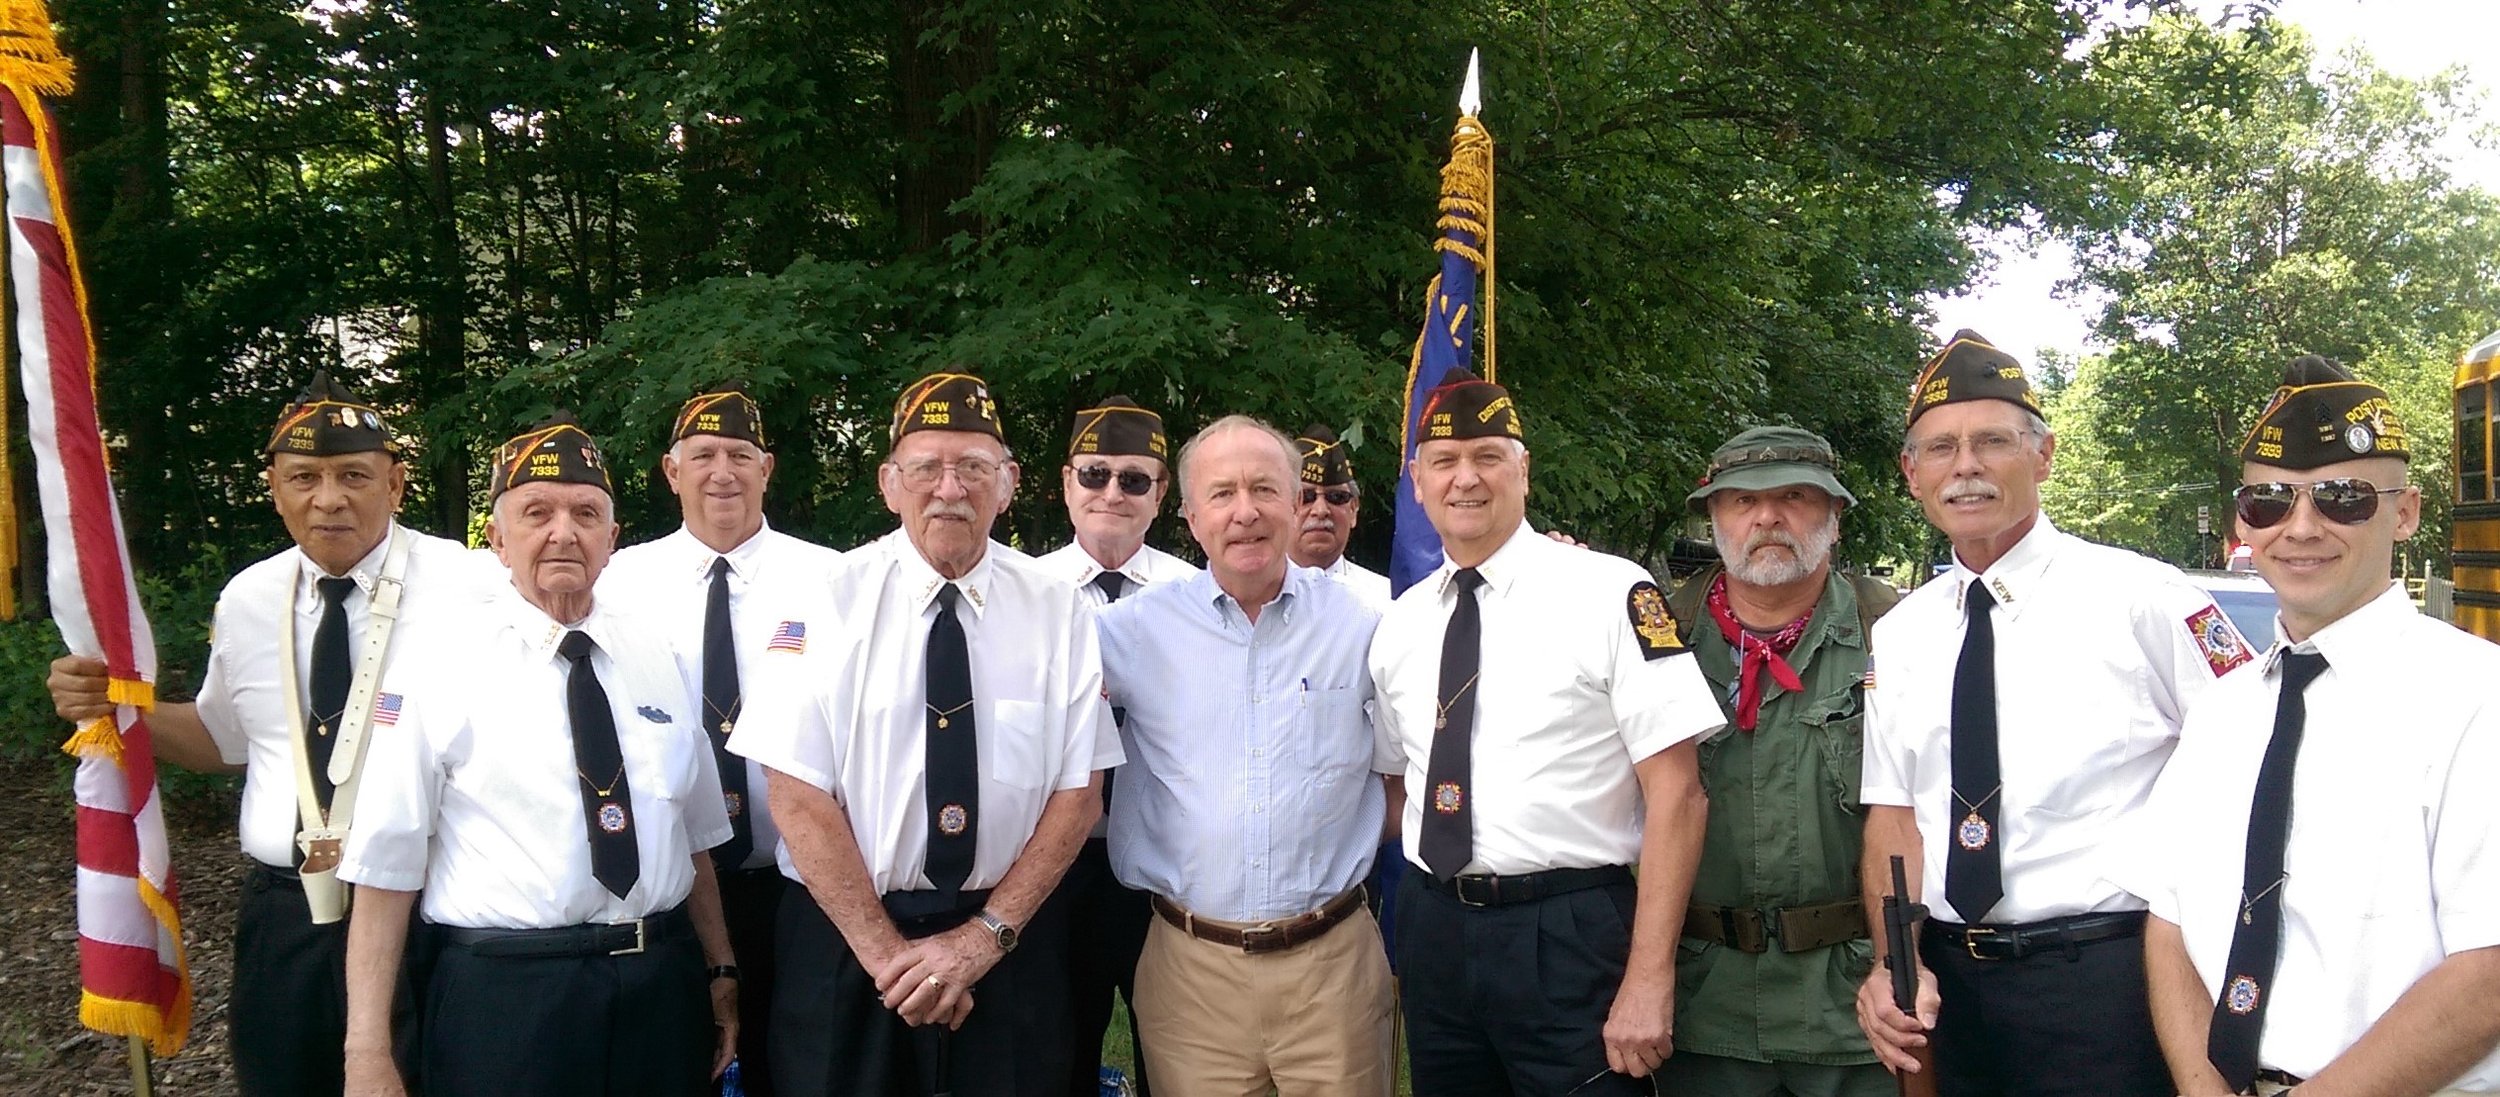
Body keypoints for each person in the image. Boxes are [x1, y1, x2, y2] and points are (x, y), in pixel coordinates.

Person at [44, 374, 471, 1096]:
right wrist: (118, 707)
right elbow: (222, 741)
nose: (327, 498)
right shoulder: (248, 598)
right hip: (286, 917)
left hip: (426, 911)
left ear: (396, 485)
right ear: (273, 487)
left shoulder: (471, 586)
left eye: (354, 476)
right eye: (304, 476)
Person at [1853, 331, 2246, 1097]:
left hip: (2108, 983)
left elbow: (2251, 770)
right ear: (1912, 473)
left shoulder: (2146, 602)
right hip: (1950, 990)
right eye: (1940, 448)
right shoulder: (1902, 632)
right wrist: (1890, 962)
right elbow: (1895, 815)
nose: (1964, 466)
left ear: (2044, 455)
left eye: (1992, 441)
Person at [2113, 356, 2500, 1096]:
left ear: (2408, 510)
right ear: (2240, 520)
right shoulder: (2222, 712)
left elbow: (2488, 970)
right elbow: (2170, 924)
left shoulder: (2478, 699)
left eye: (2342, 498)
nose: (2300, 527)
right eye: (2269, 500)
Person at [732, 371, 1120, 1096]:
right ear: (888, 483)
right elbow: (795, 796)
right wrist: (891, 959)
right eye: (926, 467)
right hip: (850, 947)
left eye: (974, 466)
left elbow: (1079, 795)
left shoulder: (1056, 609)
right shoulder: (820, 601)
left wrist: (980, 941)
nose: (951, 487)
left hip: (1007, 945)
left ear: (1006, 484)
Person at [338, 415, 740, 1096]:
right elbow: (384, 871)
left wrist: (721, 968)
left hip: (659, 990)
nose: (564, 531)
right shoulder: (438, 665)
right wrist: (367, 1048)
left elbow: (692, 837)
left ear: (612, 540)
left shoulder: (657, 655)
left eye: (586, 513)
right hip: (509, 998)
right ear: (496, 539)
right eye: (537, 512)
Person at [1367, 368, 1722, 1096]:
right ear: (1417, 480)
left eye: (1488, 456)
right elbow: (1401, 785)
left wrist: (1649, 978)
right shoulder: (1399, 624)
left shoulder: (1607, 592)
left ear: (1523, 469)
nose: (1466, 477)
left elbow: (1679, 795)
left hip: (1566, 933)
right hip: (1434, 924)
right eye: (1444, 461)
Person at [1098, 415, 1397, 1097]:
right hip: (1191, 973)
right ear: (1191, 515)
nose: (1245, 511)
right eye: (1223, 492)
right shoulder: (1128, 631)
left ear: (1295, 504)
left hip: (1332, 970)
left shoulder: (1365, 624)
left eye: (1265, 488)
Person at [599, 382, 843, 1096]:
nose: (722, 471)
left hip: (803, 883)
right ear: (671, 472)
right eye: (702, 454)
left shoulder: (832, 578)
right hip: (673, 886)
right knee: (682, 1068)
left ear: (768, 468)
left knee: (804, 1070)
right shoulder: (618, 582)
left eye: (740, 453)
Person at [1660, 425, 1896, 1097]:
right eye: (1742, 500)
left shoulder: (1895, 633)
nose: (1768, 516)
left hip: (1853, 1008)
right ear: (1714, 515)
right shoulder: (1656, 636)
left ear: (1835, 515)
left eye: (1795, 495)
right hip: (1706, 1004)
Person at [1033, 394, 1195, 1096]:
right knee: (1053, 1051)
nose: (1111, 493)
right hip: (1050, 866)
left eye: (1135, 479)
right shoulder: (1020, 591)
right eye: (1095, 474)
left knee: (1180, 1055)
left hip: (1165, 866)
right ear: (1066, 481)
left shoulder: (1198, 595)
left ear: (1161, 493)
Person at [1289, 424, 1390, 613]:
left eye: (1336, 497)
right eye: (1306, 497)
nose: (1320, 510)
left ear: (1353, 509)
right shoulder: (1252, 595)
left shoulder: (1386, 602)